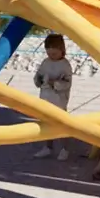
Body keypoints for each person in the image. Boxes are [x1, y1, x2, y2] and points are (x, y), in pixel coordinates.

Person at [33, 33, 73, 161]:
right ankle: (48, 147)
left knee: (60, 124)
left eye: (54, 54)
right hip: (45, 97)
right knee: (46, 123)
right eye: (49, 54)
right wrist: (38, 80)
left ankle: (64, 149)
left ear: (62, 50)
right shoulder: (45, 62)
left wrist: (54, 83)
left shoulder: (65, 65)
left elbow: (67, 83)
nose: (51, 57)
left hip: (59, 100)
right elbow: (38, 75)